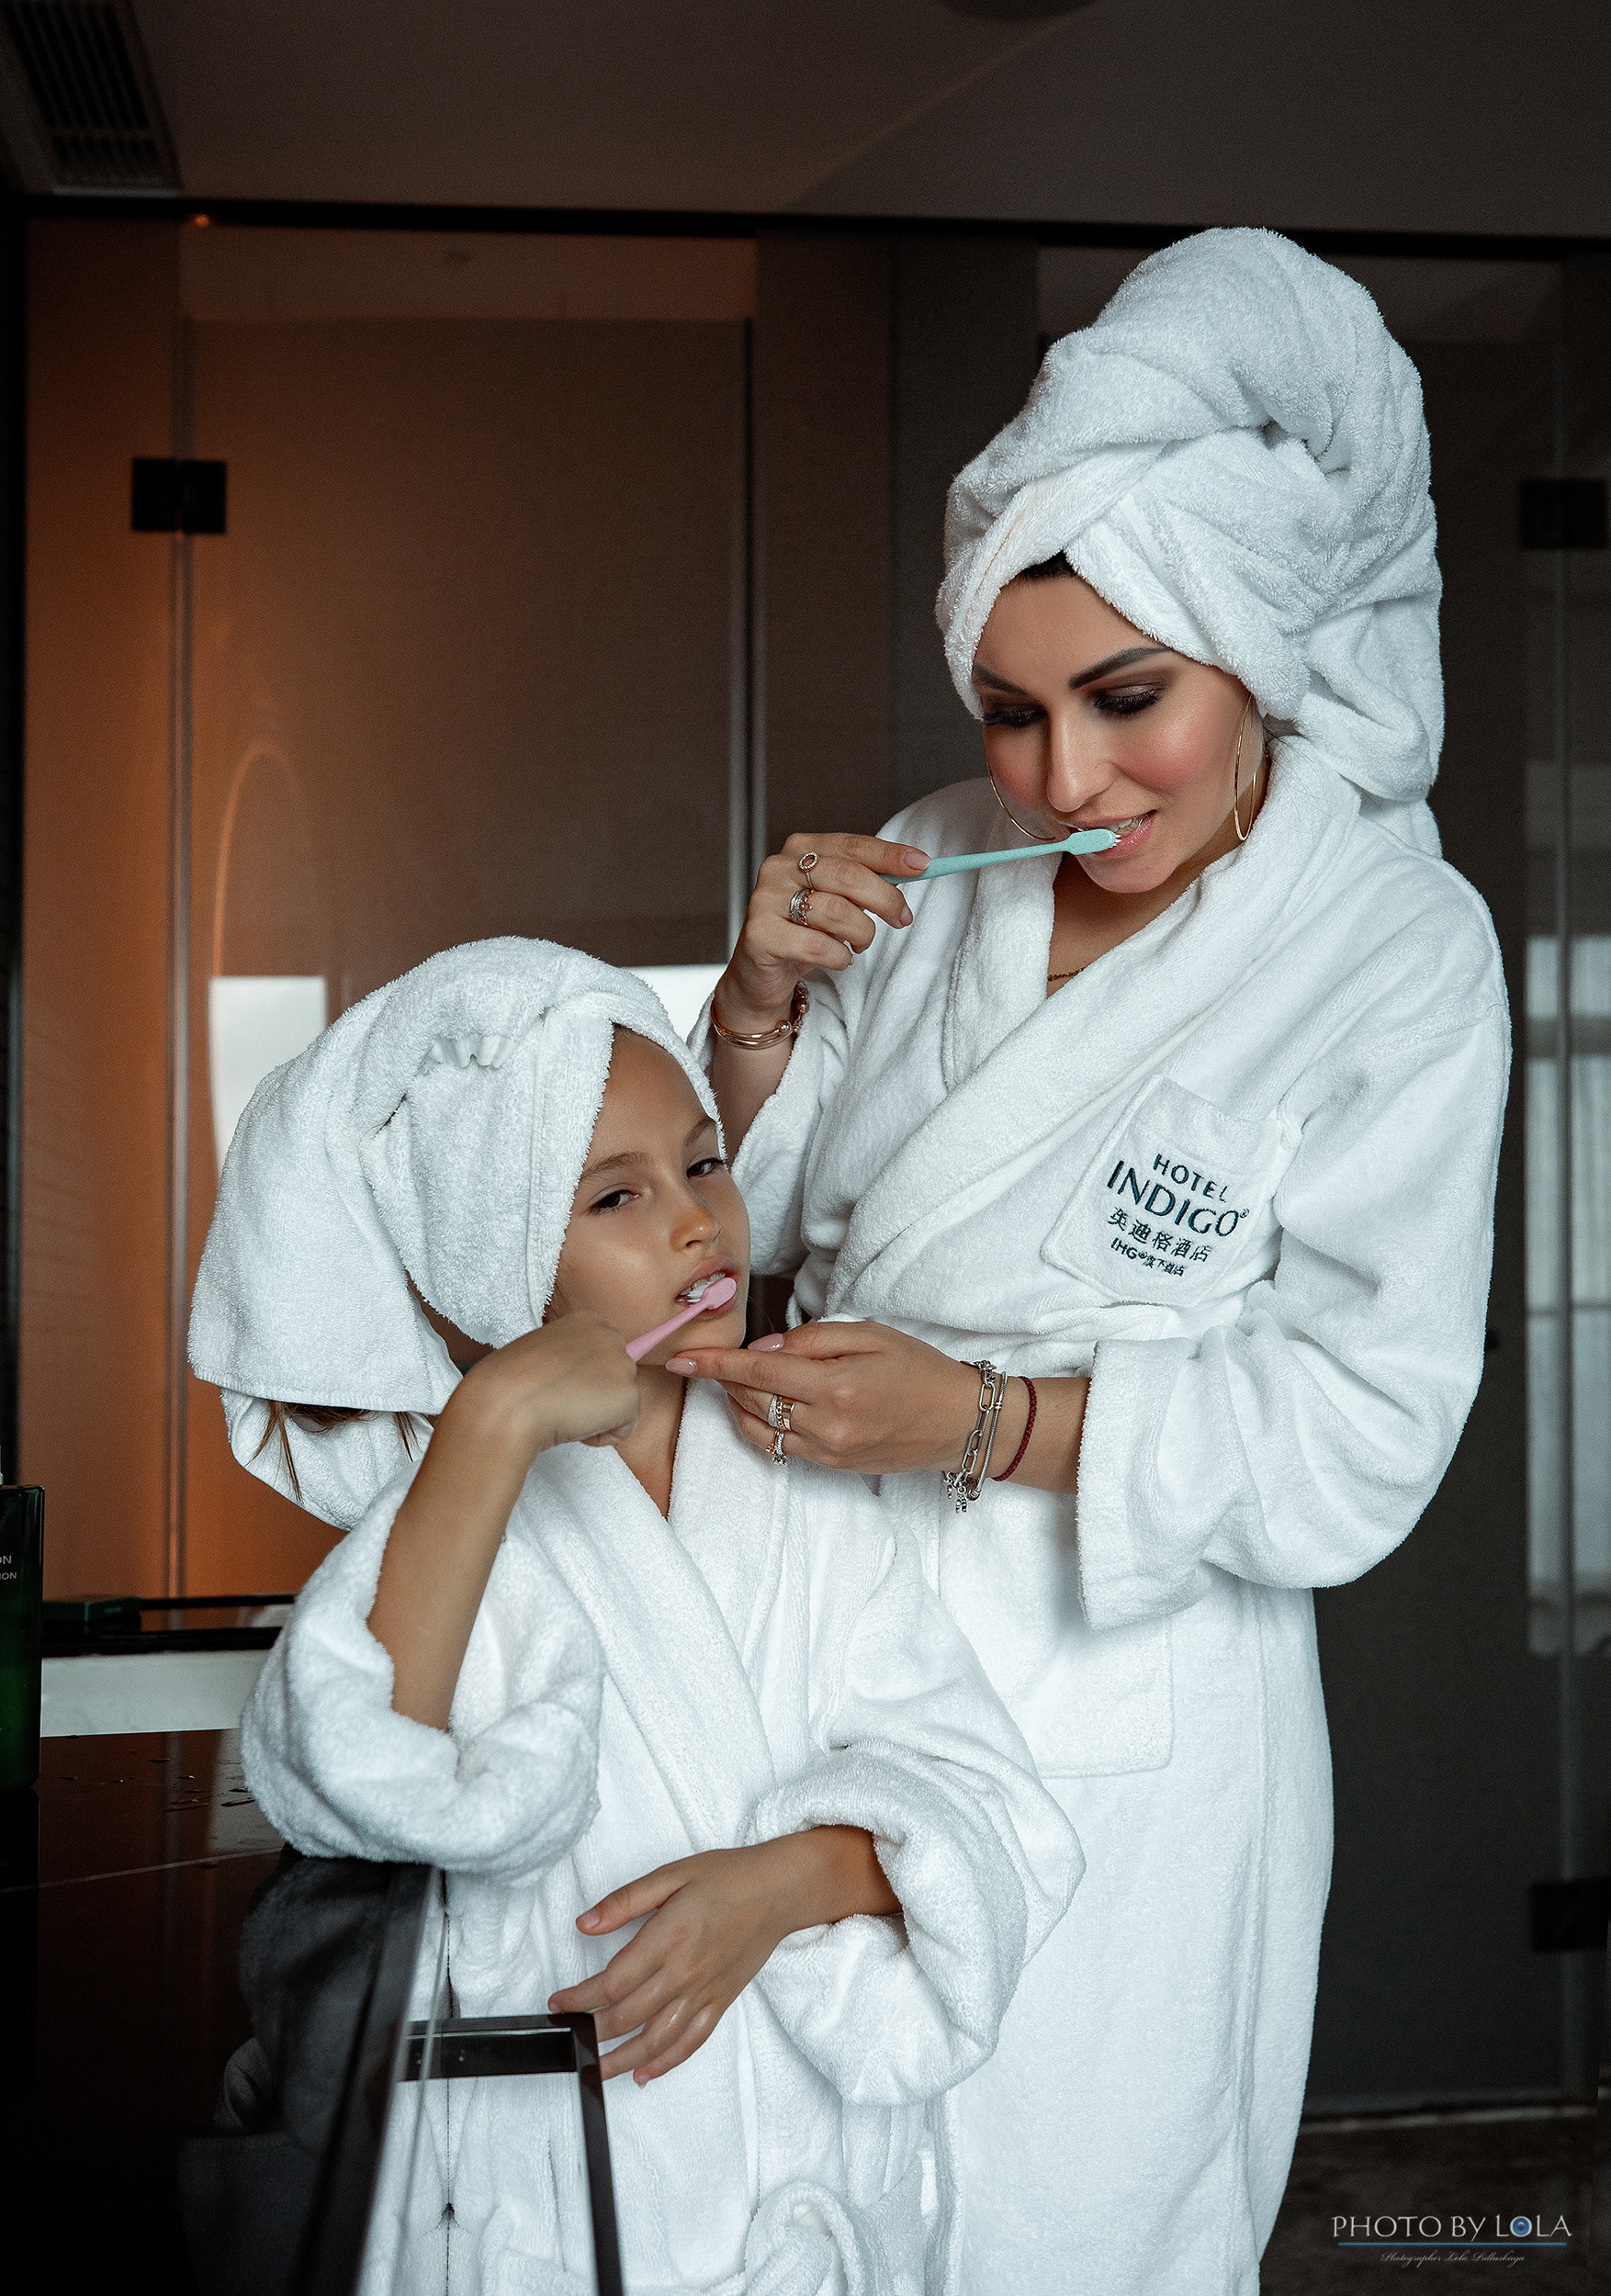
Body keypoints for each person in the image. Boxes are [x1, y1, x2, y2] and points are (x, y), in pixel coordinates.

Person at [673, 229, 1511, 2295]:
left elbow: (1355, 1433)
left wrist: (981, 1417)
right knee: (816, 2210)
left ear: (1256, 646)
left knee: (1074, 2225)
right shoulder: (945, 856)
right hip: (829, 1649)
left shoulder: (1393, 953)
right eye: (1012, 709)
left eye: (1125, 697)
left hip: (1117, 1724)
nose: (1062, 779)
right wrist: (760, 1014)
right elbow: (734, 1235)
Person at [188, 938, 1080, 2296]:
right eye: (618, 1193)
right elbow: (358, 1784)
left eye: (704, 1162)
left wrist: (775, 1891)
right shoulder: (450, 1523)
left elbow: (990, 1808)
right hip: (557, 2209)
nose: (694, 1222)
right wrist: (487, 1429)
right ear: (493, 1254)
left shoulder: (804, 1489)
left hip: (813, 2199)